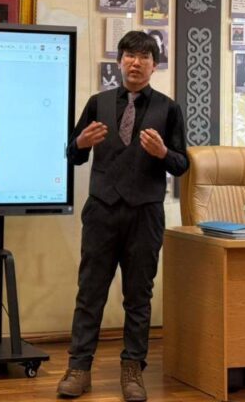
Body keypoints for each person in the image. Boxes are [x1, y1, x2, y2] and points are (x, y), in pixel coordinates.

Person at [57, 31, 188, 401]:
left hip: (145, 215)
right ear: (119, 62)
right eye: (130, 55)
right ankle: (78, 367)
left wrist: (163, 153)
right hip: (101, 211)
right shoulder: (97, 103)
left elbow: (182, 164)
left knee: (138, 296)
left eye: (144, 57)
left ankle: (133, 370)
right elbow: (73, 154)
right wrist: (80, 143)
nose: (136, 62)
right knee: (90, 292)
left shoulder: (169, 109)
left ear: (154, 65)